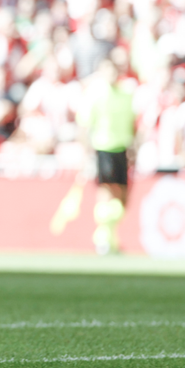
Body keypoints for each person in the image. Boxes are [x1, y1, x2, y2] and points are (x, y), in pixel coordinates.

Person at [77, 58, 135, 255]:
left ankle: (111, 236)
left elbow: (132, 123)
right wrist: (87, 154)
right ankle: (103, 239)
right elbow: (84, 125)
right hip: (103, 147)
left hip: (122, 149)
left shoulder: (126, 93)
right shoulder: (95, 93)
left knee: (122, 198)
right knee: (107, 193)